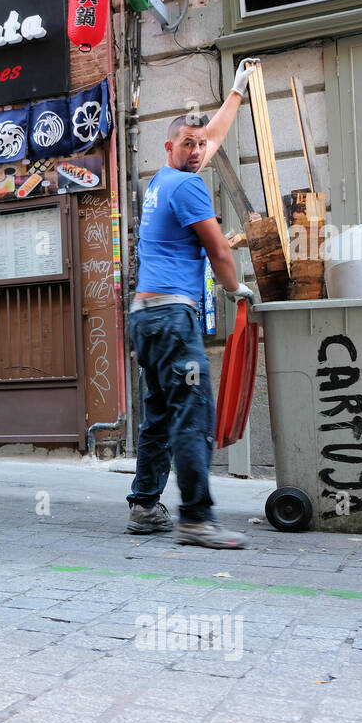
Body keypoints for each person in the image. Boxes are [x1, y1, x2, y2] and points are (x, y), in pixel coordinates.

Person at [124, 58, 260, 549]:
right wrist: (235, 290)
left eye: (201, 144)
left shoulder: (164, 180)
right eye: (189, 143)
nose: (200, 150)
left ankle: (144, 506)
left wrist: (237, 91)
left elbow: (212, 134)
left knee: (159, 413)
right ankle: (197, 518)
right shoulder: (189, 186)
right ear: (169, 146)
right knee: (192, 411)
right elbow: (219, 248)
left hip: (145, 317)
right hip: (171, 318)